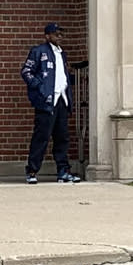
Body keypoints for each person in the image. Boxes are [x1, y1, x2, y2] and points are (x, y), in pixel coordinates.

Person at [20, 20, 80, 183]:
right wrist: (40, 88)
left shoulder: (62, 54)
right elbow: (26, 72)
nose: (59, 36)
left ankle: (63, 171)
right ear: (47, 36)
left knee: (62, 138)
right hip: (46, 101)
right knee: (41, 137)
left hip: (62, 99)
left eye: (61, 33)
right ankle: (32, 171)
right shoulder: (39, 51)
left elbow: (61, 76)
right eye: (56, 33)